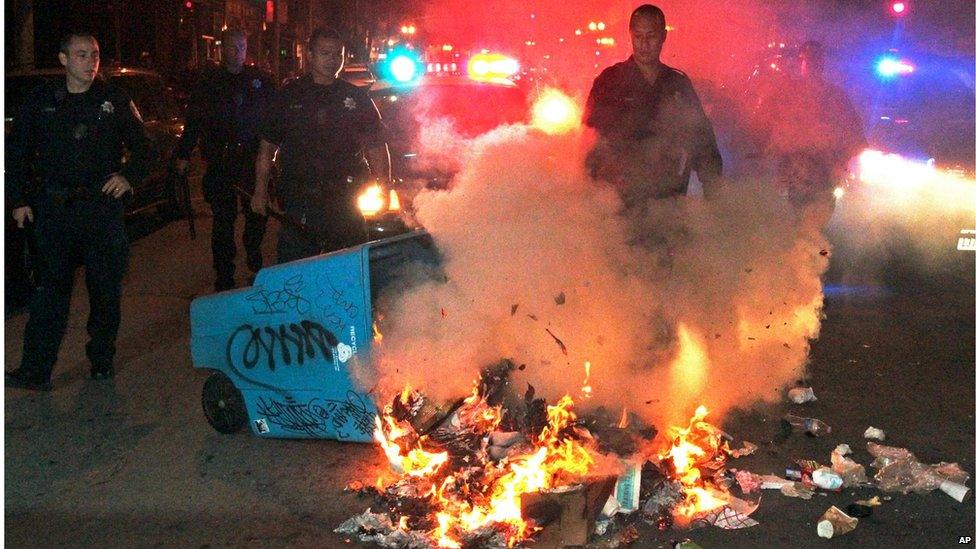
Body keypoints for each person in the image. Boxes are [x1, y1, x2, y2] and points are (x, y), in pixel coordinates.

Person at [5, 32, 150, 391]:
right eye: (82, 55)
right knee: (49, 294)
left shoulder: (113, 100)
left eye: (95, 55)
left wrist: (128, 176)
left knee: (104, 292)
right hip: (56, 211)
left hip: (101, 210)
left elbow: (144, 149)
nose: (91, 62)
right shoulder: (41, 101)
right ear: (64, 59)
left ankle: (101, 360)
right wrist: (18, 200)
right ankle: (35, 370)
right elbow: (17, 153)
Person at [251, 27, 390, 264]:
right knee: (296, 276)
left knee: (351, 270)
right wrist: (260, 192)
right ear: (310, 55)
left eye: (338, 54)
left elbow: (376, 146)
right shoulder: (289, 97)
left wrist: (384, 185)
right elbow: (267, 150)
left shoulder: (356, 99)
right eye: (325, 53)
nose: (332, 60)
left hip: (345, 201)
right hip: (301, 203)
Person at [584, 4, 723, 210]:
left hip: (668, 201)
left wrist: (715, 193)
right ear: (630, 35)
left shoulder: (677, 84)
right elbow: (590, 141)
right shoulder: (610, 82)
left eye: (651, 36)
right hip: (620, 205)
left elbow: (701, 140)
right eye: (638, 36)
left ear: (663, 36)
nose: (644, 44)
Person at [174, 28, 275, 291]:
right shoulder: (208, 83)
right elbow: (193, 122)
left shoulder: (260, 81)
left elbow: (275, 119)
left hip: (252, 159)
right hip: (221, 160)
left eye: (242, 47)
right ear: (222, 49)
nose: (238, 52)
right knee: (222, 221)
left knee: (257, 214)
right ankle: (224, 274)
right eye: (232, 47)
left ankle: (253, 254)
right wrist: (183, 154)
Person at [753, 41, 865, 228]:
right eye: (809, 60)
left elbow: (853, 133)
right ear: (802, 62)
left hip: (822, 170)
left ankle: (811, 254)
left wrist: (843, 160)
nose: (812, 64)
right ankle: (805, 253)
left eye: (816, 60)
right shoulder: (786, 92)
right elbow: (761, 124)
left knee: (814, 224)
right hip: (793, 169)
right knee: (794, 222)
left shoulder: (834, 96)